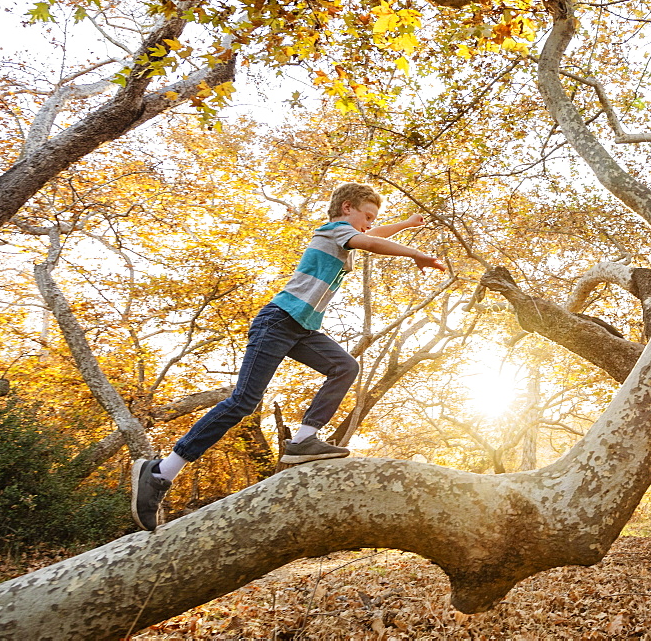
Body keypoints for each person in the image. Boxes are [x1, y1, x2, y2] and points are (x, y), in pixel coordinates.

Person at [130, 182, 445, 531]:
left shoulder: (347, 233)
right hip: (279, 320)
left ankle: (302, 440)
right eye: (366, 216)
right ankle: (160, 472)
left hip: (301, 327)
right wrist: (414, 253)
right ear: (347, 208)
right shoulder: (333, 231)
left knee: (345, 366)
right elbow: (371, 241)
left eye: (373, 219)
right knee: (243, 402)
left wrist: (406, 225)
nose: (370, 224)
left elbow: (375, 234)